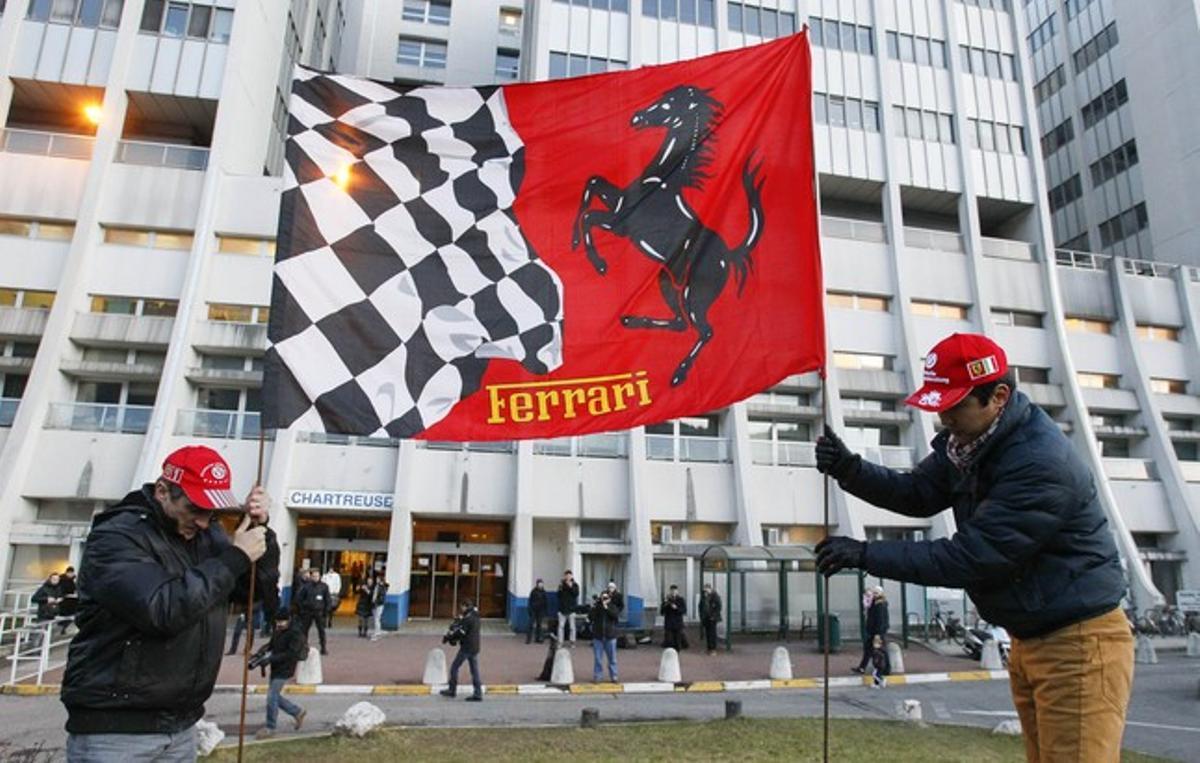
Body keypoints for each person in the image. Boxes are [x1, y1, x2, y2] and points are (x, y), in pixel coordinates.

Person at [814, 333, 1132, 763]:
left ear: (998, 396)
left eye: (954, 405)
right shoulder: (971, 445)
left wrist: (865, 554)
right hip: (1033, 637)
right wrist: (849, 470)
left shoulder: (1038, 463)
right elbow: (918, 492)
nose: (943, 416)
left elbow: (969, 557)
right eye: (938, 404)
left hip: (1076, 643)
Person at [60, 445, 278, 761]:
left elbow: (253, 593)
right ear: (163, 491)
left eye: (212, 513)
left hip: (181, 724)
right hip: (116, 730)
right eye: (195, 509)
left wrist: (261, 531)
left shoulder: (205, 535)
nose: (204, 522)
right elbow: (163, 609)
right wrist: (235, 556)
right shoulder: (118, 537)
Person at [256, 611, 308, 739]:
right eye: (277, 622)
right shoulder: (278, 630)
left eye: (282, 622)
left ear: (288, 620)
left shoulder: (295, 633)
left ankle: (270, 727)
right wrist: (262, 652)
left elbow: (291, 654)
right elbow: (272, 644)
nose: (279, 624)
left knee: (271, 697)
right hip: (276, 667)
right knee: (274, 696)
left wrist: (271, 659)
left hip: (286, 668)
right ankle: (297, 712)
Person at [440, 598, 483, 701]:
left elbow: (461, 632)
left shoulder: (468, 619)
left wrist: (450, 638)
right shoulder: (475, 616)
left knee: (454, 667)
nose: (461, 609)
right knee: (474, 671)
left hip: (467, 648)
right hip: (475, 647)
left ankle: (452, 690)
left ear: (465, 606)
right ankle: (478, 693)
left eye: (462, 607)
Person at [854, 586, 889, 674]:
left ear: (881, 594)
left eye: (876, 593)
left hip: (877, 632)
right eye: (874, 593)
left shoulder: (880, 604)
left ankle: (886, 668)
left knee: (881, 649)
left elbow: (880, 619)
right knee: (869, 649)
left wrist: (878, 633)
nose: (874, 594)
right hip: (874, 631)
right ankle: (862, 667)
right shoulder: (876, 603)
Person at [589, 589, 620, 682]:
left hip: (610, 636)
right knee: (598, 659)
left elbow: (615, 616)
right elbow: (590, 617)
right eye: (603, 597)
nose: (604, 599)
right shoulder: (597, 607)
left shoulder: (613, 606)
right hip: (598, 636)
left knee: (612, 659)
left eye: (606, 597)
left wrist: (606, 607)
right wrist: (594, 607)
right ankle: (598, 676)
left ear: (609, 598)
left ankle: (614, 675)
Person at [296, 569, 329, 655]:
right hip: (308, 611)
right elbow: (299, 598)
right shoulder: (306, 587)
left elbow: (327, 600)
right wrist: (302, 608)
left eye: (317, 576)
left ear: (320, 577)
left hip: (319, 611)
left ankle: (323, 647)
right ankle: (304, 647)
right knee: (304, 630)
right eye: (314, 576)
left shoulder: (324, 587)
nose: (315, 578)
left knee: (321, 630)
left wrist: (326, 611)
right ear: (311, 577)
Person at [661, 584, 688, 650]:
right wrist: (665, 604)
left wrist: (676, 608)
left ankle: (677, 652)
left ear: (677, 591)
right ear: (670, 591)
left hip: (677, 623)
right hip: (669, 623)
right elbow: (662, 612)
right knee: (669, 641)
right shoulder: (667, 600)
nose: (673, 592)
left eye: (674, 591)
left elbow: (684, 610)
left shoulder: (681, 599)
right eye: (672, 591)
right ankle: (670, 652)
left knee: (677, 641)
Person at [556, 570, 579, 646]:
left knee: (572, 627)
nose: (568, 577)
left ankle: (572, 641)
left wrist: (570, 586)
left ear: (572, 576)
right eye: (566, 575)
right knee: (561, 627)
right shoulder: (561, 585)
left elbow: (576, 594)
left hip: (571, 609)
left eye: (569, 575)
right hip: (562, 609)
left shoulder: (575, 585)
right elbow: (558, 595)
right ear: (565, 576)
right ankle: (560, 642)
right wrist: (560, 588)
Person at [699, 582, 722, 655]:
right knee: (707, 633)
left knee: (712, 633)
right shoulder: (704, 596)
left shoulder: (715, 596)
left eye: (706, 590)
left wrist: (713, 616)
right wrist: (701, 615)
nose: (705, 591)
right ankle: (709, 648)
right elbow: (700, 606)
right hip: (706, 617)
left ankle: (713, 649)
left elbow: (718, 607)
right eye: (704, 590)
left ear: (710, 589)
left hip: (712, 618)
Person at [526, 579, 548, 644]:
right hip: (533, 610)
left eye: (542, 584)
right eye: (539, 584)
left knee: (539, 625)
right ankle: (528, 639)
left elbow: (545, 602)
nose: (540, 585)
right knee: (530, 624)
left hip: (540, 610)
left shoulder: (544, 592)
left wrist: (545, 611)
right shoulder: (533, 591)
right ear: (537, 584)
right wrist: (529, 609)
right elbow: (530, 601)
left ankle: (538, 638)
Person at [371, 574, 389, 640]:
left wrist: (375, 602)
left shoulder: (380, 587)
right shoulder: (379, 586)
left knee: (376, 618)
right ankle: (378, 630)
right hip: (377, 604)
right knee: (377, 618)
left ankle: (377, 632)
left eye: (377, 579)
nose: (376, 580)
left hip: (378, 604)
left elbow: (379, 596)